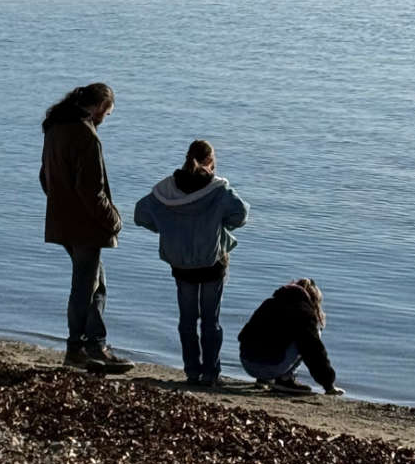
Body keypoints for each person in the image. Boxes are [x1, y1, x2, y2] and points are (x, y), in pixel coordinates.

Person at [133, 138, 249, 387]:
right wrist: (220, 225)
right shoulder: (218, 190)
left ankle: (191, 372)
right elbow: (241, 215)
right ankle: (210, 374)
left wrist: (167, 228)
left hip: (181, 264)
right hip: (211, 263)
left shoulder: (166, 190)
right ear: (210, 162)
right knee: (211, 320)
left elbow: (140, 214)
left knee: (187, 319)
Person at [40, 81, 132, 373]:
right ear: (99, 108)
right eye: (108, 113)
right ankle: (81, 347)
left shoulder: (55, 129)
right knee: (86, 287)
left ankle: (94, 345)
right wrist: (114, 221)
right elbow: (93, 191)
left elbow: (45, 177)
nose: (106, 119)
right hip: (85, 226)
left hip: (61, 221)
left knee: (95, 284)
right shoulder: (86, 135)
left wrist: (60, 203)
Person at [238, 278, 345, 395]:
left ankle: (263, 379)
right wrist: (328, 384)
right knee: (311, 337)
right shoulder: (304, 312)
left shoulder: (269, 303)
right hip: (270, 367)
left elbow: (243, 335)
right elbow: (314, 352)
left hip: (247, 363)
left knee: (274, 334)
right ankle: (285, 380)